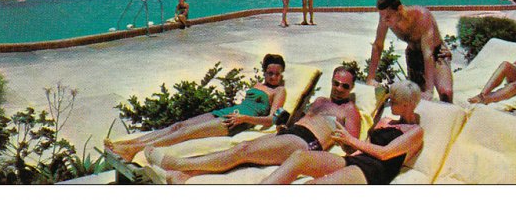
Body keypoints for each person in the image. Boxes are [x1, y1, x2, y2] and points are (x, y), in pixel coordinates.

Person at [145, 66, 362, 184]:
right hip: (291, 133)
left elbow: (352, 147)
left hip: (307, 142)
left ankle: (176, 164)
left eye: (345, 86)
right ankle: (186, 177)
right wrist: (283, 126)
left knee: (243, 150)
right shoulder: (321, 100)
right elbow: (299, 117)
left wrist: (341, 137)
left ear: (351, 88)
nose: (339, 88)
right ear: (331, 81)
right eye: (336, 83)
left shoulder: (349, 110)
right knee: (243, 155)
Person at [105, 54, 287, 162]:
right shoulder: (258, 84)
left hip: (234, 121)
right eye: (270, 73)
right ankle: (131, 143)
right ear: (264, 72)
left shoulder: (279, 91)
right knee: (179, 126)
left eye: (277, 74)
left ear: (281, 74)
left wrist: (244, 119)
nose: (273, 77)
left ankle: (133, 151)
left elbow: (272, 119)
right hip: (228, 112)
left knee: (185, 133)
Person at [262, 80, 424, 185]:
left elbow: (385, 153)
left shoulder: (415, 131)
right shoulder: (386, 121)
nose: (389, 102)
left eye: (394, 101)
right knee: (300, 157)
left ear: (407, 104)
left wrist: (350, 139)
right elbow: (364, 146)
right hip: (357, 161)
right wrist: (345, 148)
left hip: (373, 171)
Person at [369, 0, 453, 102]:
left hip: (436, 53)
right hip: (414, 54)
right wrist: (370, 78)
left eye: (388, 17)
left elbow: (428, 55)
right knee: (415, 99)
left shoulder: (421, 16)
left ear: (399, 9)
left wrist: (429, 90)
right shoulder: (385, 19)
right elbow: (378, 45)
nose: (384, 20)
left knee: (446, 92)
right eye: (381, 16)